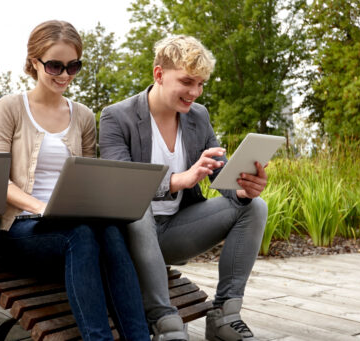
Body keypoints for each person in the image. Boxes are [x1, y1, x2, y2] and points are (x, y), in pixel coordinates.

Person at [99, 35, 269, 341]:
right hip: (131, 236)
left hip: (176, 230)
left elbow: (220, 173)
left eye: (201, 83)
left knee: (254, 207)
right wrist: (179, 179)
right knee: (136, 209)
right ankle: (165, 324)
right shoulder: (117, 116)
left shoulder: (198, 116)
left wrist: (243, 188)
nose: (195, 92)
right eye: (188, 81)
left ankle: (224, 316)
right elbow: (121, 187)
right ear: (159, 74)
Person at [0, 20, 147, 341]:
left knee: (111, 231)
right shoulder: (9, 107)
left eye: (73, 66)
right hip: (21, 228)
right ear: (34, 62)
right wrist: (43, 207)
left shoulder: (84, 115)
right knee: (82, 235)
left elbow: (87, 181)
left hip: (71, 222)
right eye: (55, 66)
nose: (64, 75)